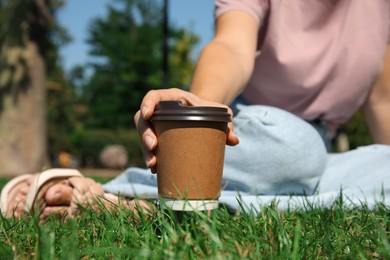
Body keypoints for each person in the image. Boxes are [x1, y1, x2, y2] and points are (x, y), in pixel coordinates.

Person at [2, 0, 390, 219]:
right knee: (299, 146)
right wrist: (202, 104)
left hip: (321, 154)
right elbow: (231, 46)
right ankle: (127, 186)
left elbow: (381, 98)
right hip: (251, 131)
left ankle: (155, 207)